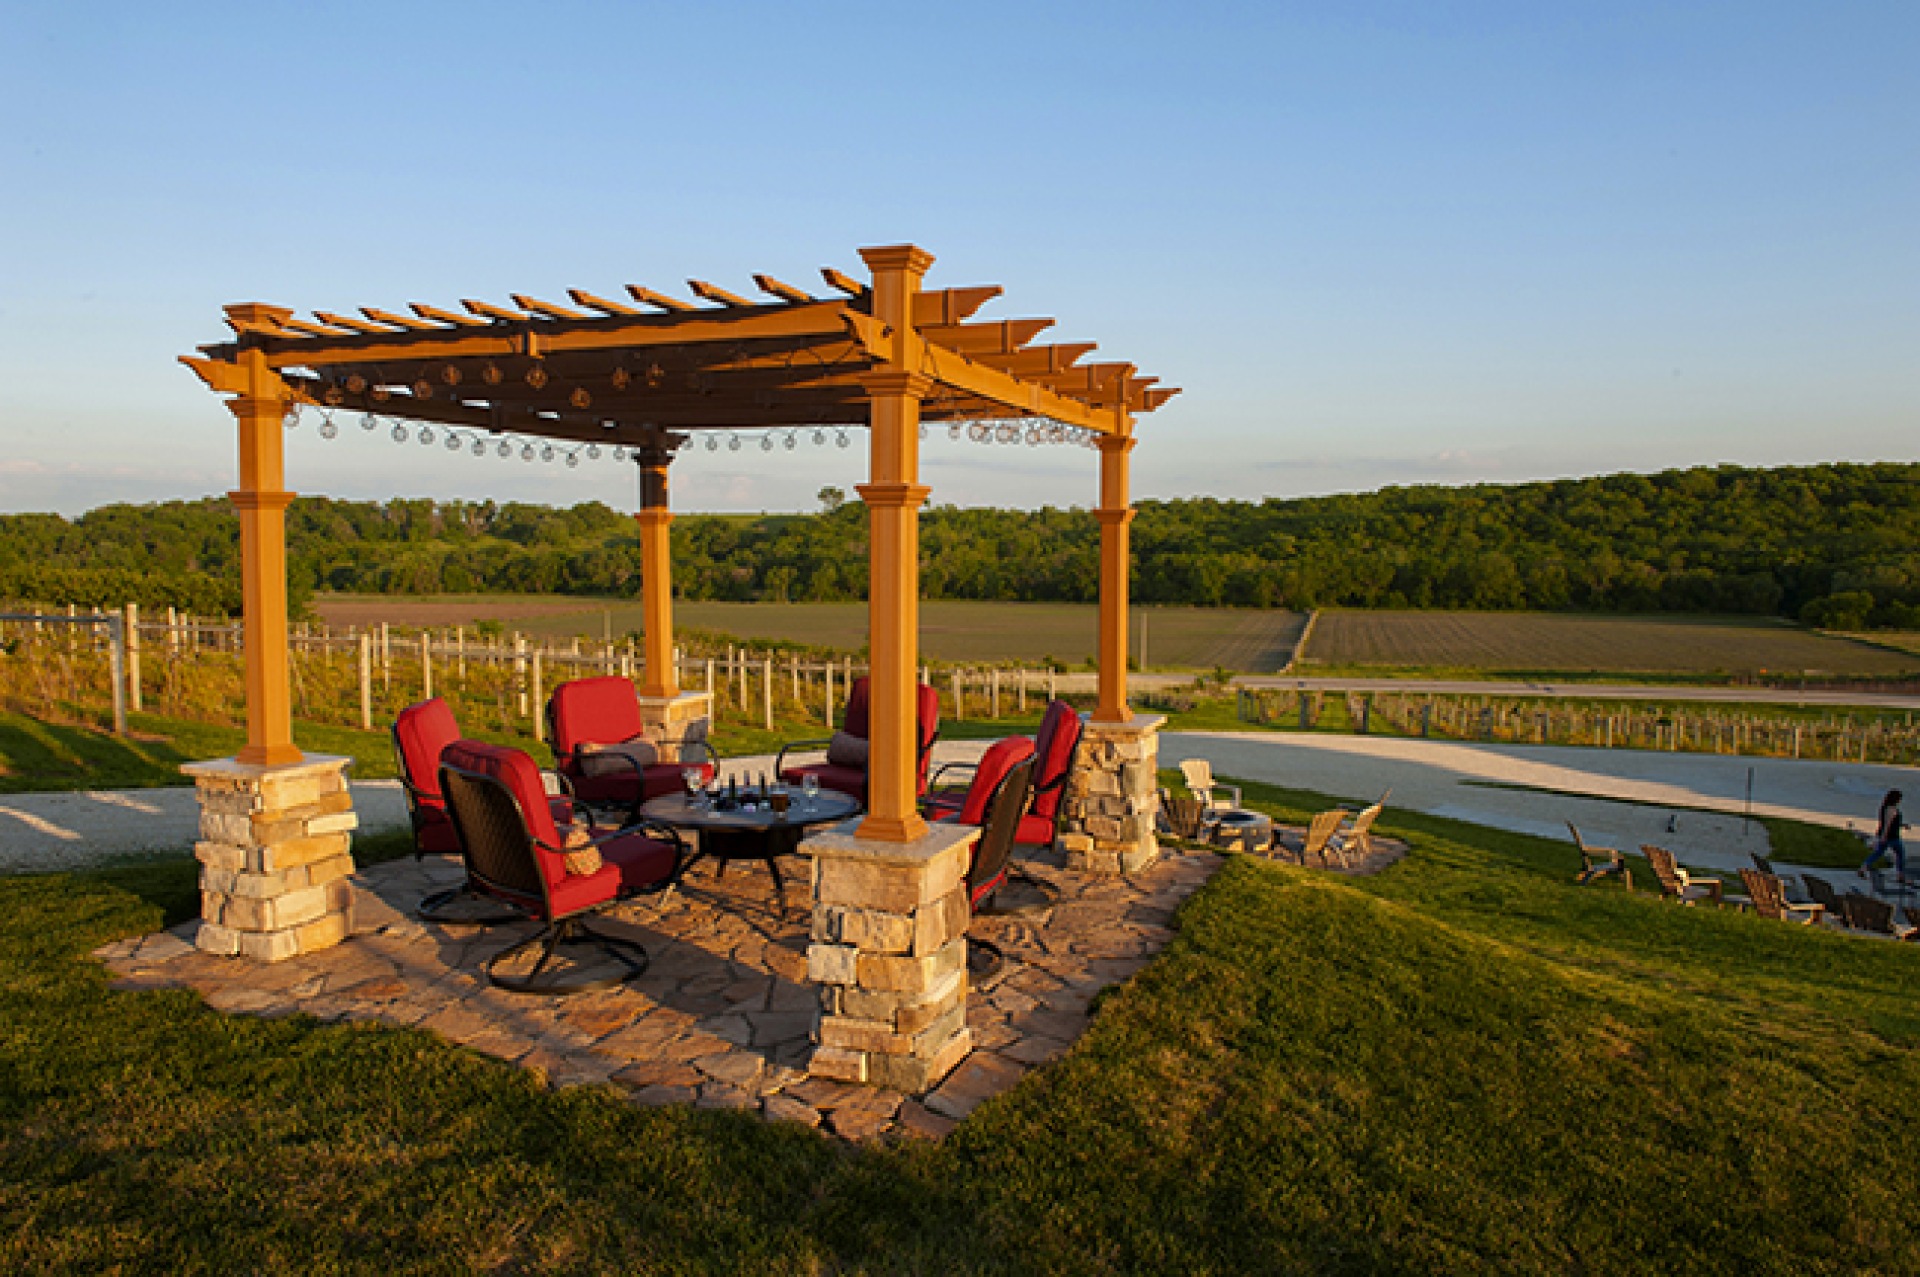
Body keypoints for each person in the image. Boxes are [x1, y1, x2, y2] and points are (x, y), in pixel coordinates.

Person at [1859, 789, 1907, 882]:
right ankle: (1900, 875)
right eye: (1899, 798)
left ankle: (1863, 868)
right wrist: (1884, 836)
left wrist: (1903, 825)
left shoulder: (1885, 808)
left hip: (1886, 835)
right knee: (1900, 854)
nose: (1900, 800)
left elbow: (1892, 823)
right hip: (1892, 837)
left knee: (1878, 853)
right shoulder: (1891, 809)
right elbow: (1887, 824)